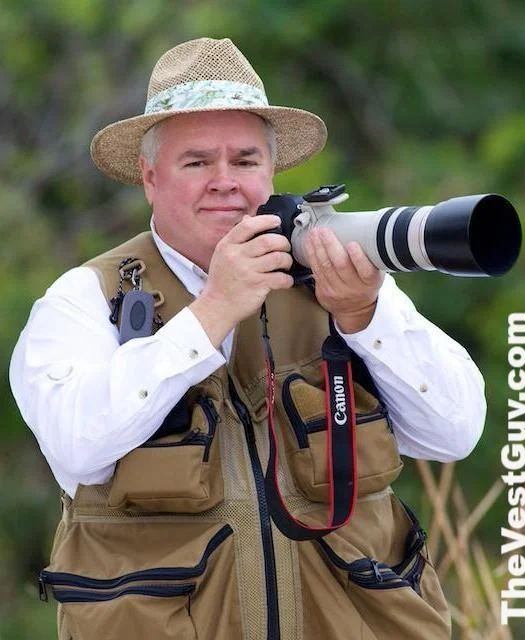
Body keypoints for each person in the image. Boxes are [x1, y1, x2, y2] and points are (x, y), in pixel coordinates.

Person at [10, 37, 485, 640]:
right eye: (196, 162)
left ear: (272, 171)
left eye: (245, 161)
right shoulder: (82, 300)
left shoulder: (334, 277)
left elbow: (455, 433)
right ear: (150, 178)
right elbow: (76, 446)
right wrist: (211, 313)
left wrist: (366, 317)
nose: (224, 182)